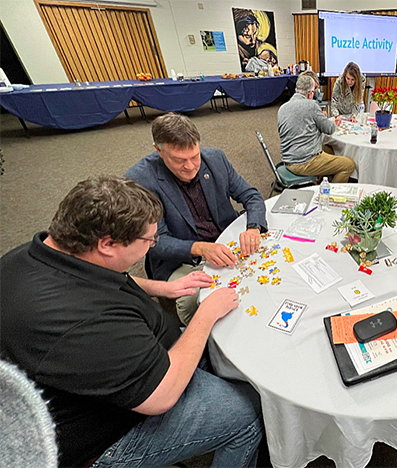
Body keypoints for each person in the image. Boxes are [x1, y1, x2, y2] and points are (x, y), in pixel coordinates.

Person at [0, 176, 263, 468]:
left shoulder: (39, 252)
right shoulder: (83, 321)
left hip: (124, 365)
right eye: (149, 240)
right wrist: (205, 314)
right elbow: (162, 394)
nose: (152, 245)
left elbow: (112, 274)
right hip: (109, 431)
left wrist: (163, 288)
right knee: (248, 410)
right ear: (108, 244)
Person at [125, 113, 267, 325]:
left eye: (195, 156)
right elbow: (155, 242)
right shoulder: (139, 180)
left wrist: (254, 227)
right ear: (159, 151)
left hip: (224, 240)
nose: (190, 167)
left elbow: (251, 195)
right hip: (182, 259)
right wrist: (201, 248)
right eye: (179, 160)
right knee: (209, 300)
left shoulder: (216, 159)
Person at [278, 74, 356, 183]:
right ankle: (330, 195)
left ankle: (320, 181)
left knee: (329, 148)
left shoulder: (282, 108)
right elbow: (330, 129)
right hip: (304, 162)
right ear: (310, 94)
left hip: (288, 159)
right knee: (348, 165)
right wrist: (329, 121)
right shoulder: (312, 105)